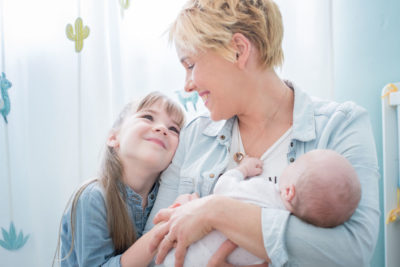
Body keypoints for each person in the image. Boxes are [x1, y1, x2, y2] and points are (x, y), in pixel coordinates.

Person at [145, 0, 380, 266]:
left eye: (190, 65)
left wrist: (215, 210)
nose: (187, 85)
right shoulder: (194, 137)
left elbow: (353, 251)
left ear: (238, 50)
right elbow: (153, 250)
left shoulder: (341, 126)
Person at [163, 149, 361, 266]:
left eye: (294, 164)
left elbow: (223, 188)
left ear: (289, 192)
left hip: (181, 258)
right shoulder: (292, 233)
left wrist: (242, 169)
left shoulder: (266, 192)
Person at [53, 92, 185, 266]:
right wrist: (164, 228)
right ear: (114, 138)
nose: (162, 129)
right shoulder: (94, 197)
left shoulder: (167, 199)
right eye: (148, 117)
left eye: (173, 129)